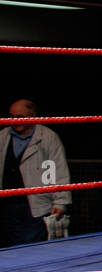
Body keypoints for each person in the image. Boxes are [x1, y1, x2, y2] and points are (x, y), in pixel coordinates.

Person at [0, 99, 71, 246]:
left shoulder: (48, 138)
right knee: (9, 248)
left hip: (37, 205)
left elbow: (59, 170)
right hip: (7, 205)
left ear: (32, 115)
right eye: (12, 117)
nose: (15, 121)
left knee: (32, 247)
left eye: (20, 117)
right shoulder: (3, 137)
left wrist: (61, 202)